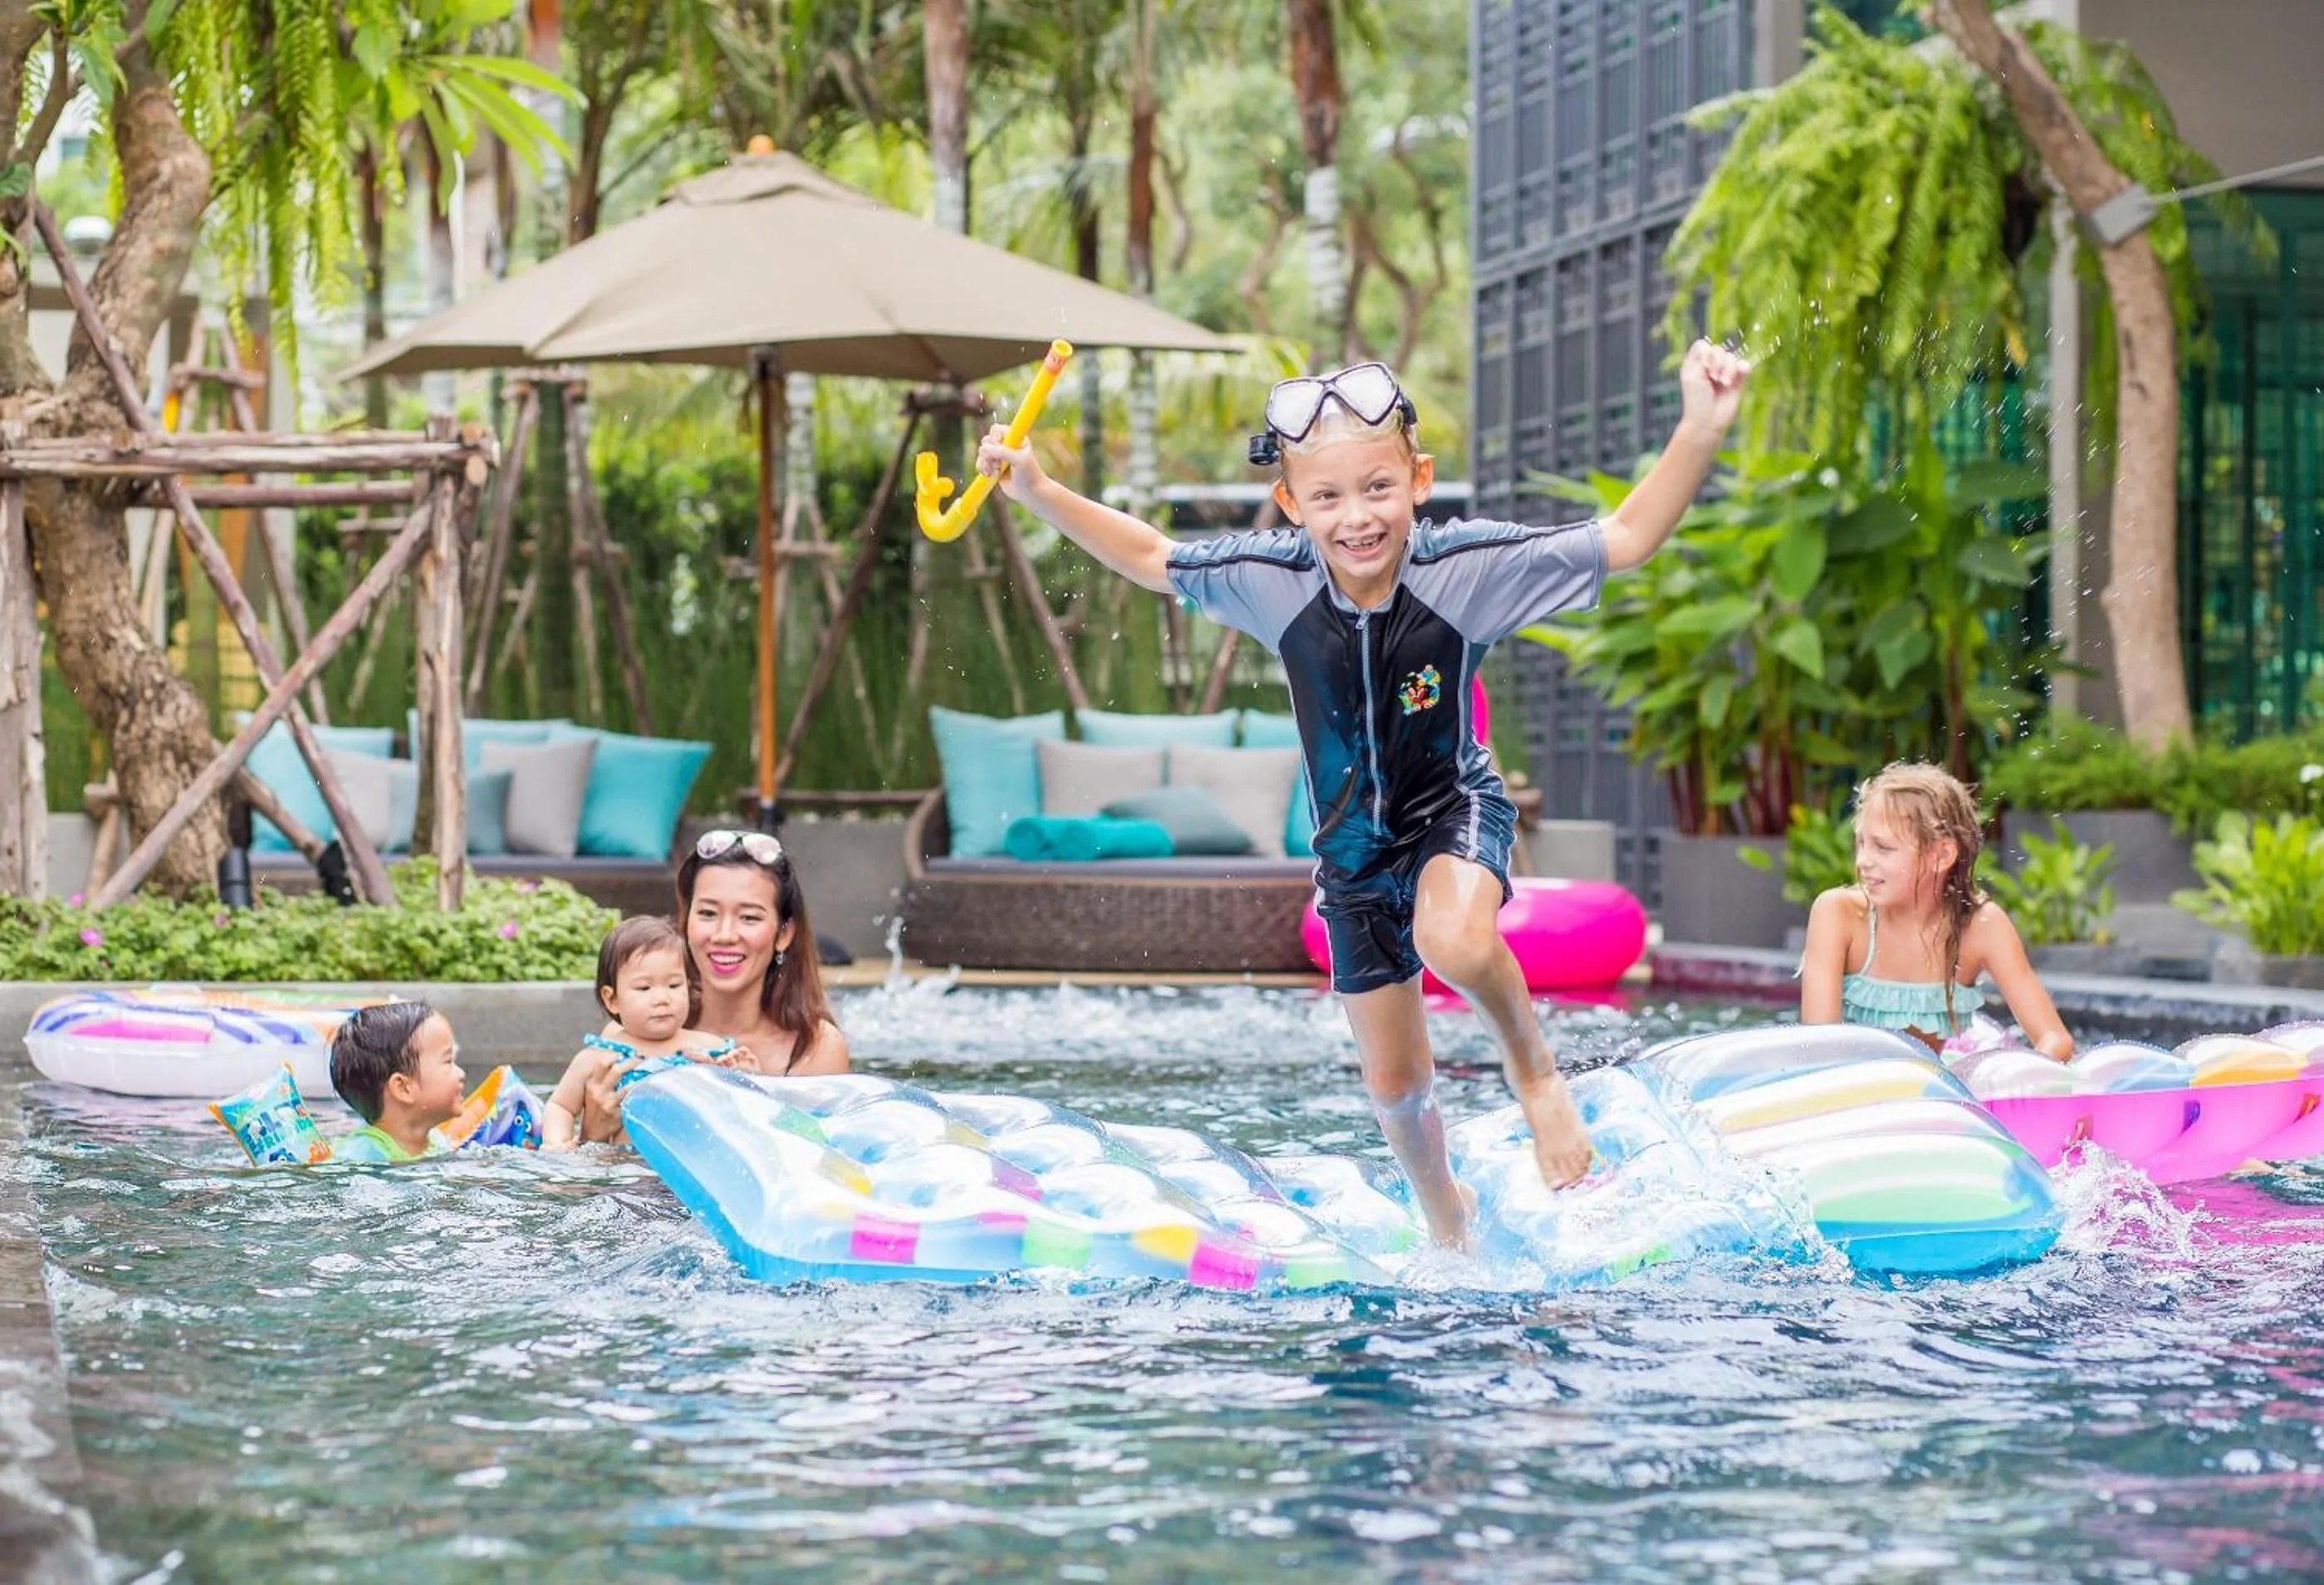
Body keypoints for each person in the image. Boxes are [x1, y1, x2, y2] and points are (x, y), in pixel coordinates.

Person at [971, 341, 1750, 1249]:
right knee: (1395, 1086)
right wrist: (1038, 491)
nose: (1356, 518)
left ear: (1419, 480)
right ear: (1290, 502)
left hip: (1451, 808)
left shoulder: (1466, 568)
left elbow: (1625, 538)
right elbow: (1151, 554)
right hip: (1350, 860)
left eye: (1378, 488)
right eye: (1328, 497)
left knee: (1454, 938)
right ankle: (1448, 1224)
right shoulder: (1271, 580)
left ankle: (1536, 1074)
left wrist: (1700, 426)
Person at [577, 829, 849, 1142]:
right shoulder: (630, 1034)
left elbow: (825, 1162)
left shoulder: (814, 1047)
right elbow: (593, 1165)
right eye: (707, 913)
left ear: (783, 934)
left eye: (749, 918)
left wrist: (753, 1098)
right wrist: (593, 1133)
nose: (724, 935)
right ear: (686, 921)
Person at [1799, 761, 2073, 1060]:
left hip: (1925, 1083)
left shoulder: (1980, 926)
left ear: (1942, 855)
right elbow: (1820, 1049)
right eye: (1861, 843)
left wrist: (2021, 1078)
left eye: (1883, 848)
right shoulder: (1839, 915)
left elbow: (2055, 1039)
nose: (1862, 860)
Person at [545, 915, 741, 1149]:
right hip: (621, 1164)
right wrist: (557, 1143)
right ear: (612, 999)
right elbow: (560, 1106)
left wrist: (743, 1072)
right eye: (644, 988)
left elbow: (739, 1105)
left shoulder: (708, 1048)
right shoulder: (600, 1058)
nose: (662, 998)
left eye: (674, 985)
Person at [328, 1000, 467, 1164]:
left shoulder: (436, 1141)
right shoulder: (359, 1157)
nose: (461, 1073)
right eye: (448, 1061)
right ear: (404, 1088)